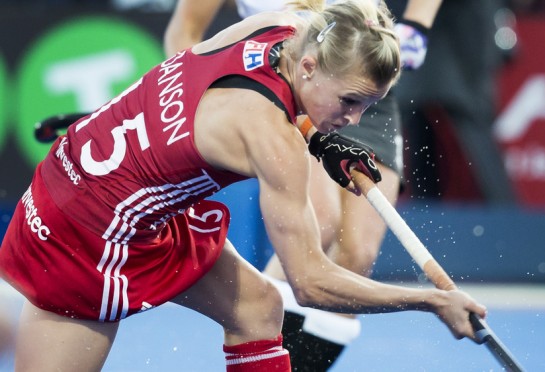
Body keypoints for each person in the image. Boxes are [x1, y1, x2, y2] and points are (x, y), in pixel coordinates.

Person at [0, 0, 486, 370]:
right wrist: (431, 300)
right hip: (86, 233)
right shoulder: (274, 140)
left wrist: (322, 139)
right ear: (312, 69)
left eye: (366, 107)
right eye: (350, 101)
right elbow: (311, 284)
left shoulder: (280, 31)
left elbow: (184, 71)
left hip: (118, 193)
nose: (355, 119)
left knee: (258, 308)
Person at [164, 0, 445, 369]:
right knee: (320, 226)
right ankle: (260, 342)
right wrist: (188, 109)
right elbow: (184, 33)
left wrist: (418, 24)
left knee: (357, 254)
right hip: (295, 82)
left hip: (370, 83)